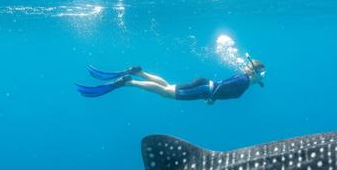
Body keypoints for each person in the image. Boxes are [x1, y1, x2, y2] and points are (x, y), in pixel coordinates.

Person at [77, 57, 265, 104]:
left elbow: (223, 87)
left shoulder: (243, 79)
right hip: (202, 90)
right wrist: (211, 97)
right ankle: (128, 82)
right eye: (262, 73)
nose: (262, 77)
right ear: (255, 72)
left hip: (203, 85)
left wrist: (213, 98)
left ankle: (139, 73)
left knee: (167, 86)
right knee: (165, 93)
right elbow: (224, 87)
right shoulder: (244, 81)